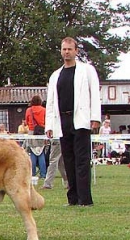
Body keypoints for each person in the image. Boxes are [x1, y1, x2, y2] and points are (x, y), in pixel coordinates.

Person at [45, 37, 101, 207]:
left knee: (82, 160)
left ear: (76, 51)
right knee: (67, 160)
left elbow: (95, 95)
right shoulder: (56, 75)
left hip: (81, 120)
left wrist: (95, 118)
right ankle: (73, 198)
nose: (67, 52)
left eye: (70, 49)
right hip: (62, 120)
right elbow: (51, 101)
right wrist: (49, 125)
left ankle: (85, 199)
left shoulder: (87, 70)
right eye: (64, 49)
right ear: (61, 51)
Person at [25, 95, 47, 179]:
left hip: (31, 132)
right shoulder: (43, 110)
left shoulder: (29, 110)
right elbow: (46, 120)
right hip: (41, 132)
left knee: (32, 152)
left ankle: (32, 173)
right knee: (41, 152)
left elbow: (26, 121)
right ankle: (43, 174)